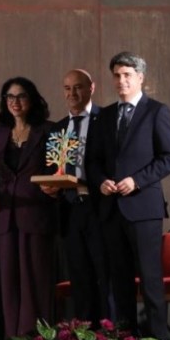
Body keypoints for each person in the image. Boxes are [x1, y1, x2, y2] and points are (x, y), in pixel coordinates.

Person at [86, 52, 170, 340]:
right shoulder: (104, 116)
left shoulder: (157, 112)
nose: (121, 80)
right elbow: (93, 161)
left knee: (150, 280)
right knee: (120, 281)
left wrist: (137, 181)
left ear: (140, 77)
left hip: (144, 210)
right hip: (111, 209)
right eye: (117, 75)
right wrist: (101, 182)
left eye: (127, 75)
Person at [39, 70, 109, 325]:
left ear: (91, 87)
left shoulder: (106, 120)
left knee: (105, 275)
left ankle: (111, 334)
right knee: (79, 276)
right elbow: (51, 168)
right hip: (70, 210)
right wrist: (49, 186)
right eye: (67, 88)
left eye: (78, 87)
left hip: (100, 208)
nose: (72, 93)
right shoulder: (57, 128)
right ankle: (85, 335)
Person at [0, 77, 56, 337]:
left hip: (37, 213)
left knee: (36, 280)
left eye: (21, 96)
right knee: (9, 282)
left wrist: (55, 189)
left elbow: (58, 168)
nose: (15, 102)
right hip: (6, 215)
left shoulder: (48, 130)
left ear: (32, 99)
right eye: (10, 97)